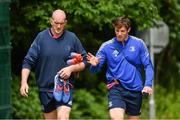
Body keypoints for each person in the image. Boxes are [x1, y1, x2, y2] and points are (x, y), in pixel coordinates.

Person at [20, 9, 87, 119]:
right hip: (45, 89)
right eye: (56, 23)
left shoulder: (72, 38)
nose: (59, 26)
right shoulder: (41, 37)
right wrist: (23, 82)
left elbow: (85, 61)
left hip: (65, 87)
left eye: (61, 23)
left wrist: (71, 69)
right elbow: (28, 61)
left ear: (65, 22)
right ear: (51, 21)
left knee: (63, 117)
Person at [87, 16, 154, 120]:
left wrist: (148, 84)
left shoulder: (139, 43)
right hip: (116, 88)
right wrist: (94, 65)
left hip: (135, 89)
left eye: (122, 31)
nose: (119, 34)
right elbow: (94, 71)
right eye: (117, 30)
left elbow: (148, 65)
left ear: (129, 30)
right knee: (116, 118)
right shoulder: (106, 46)